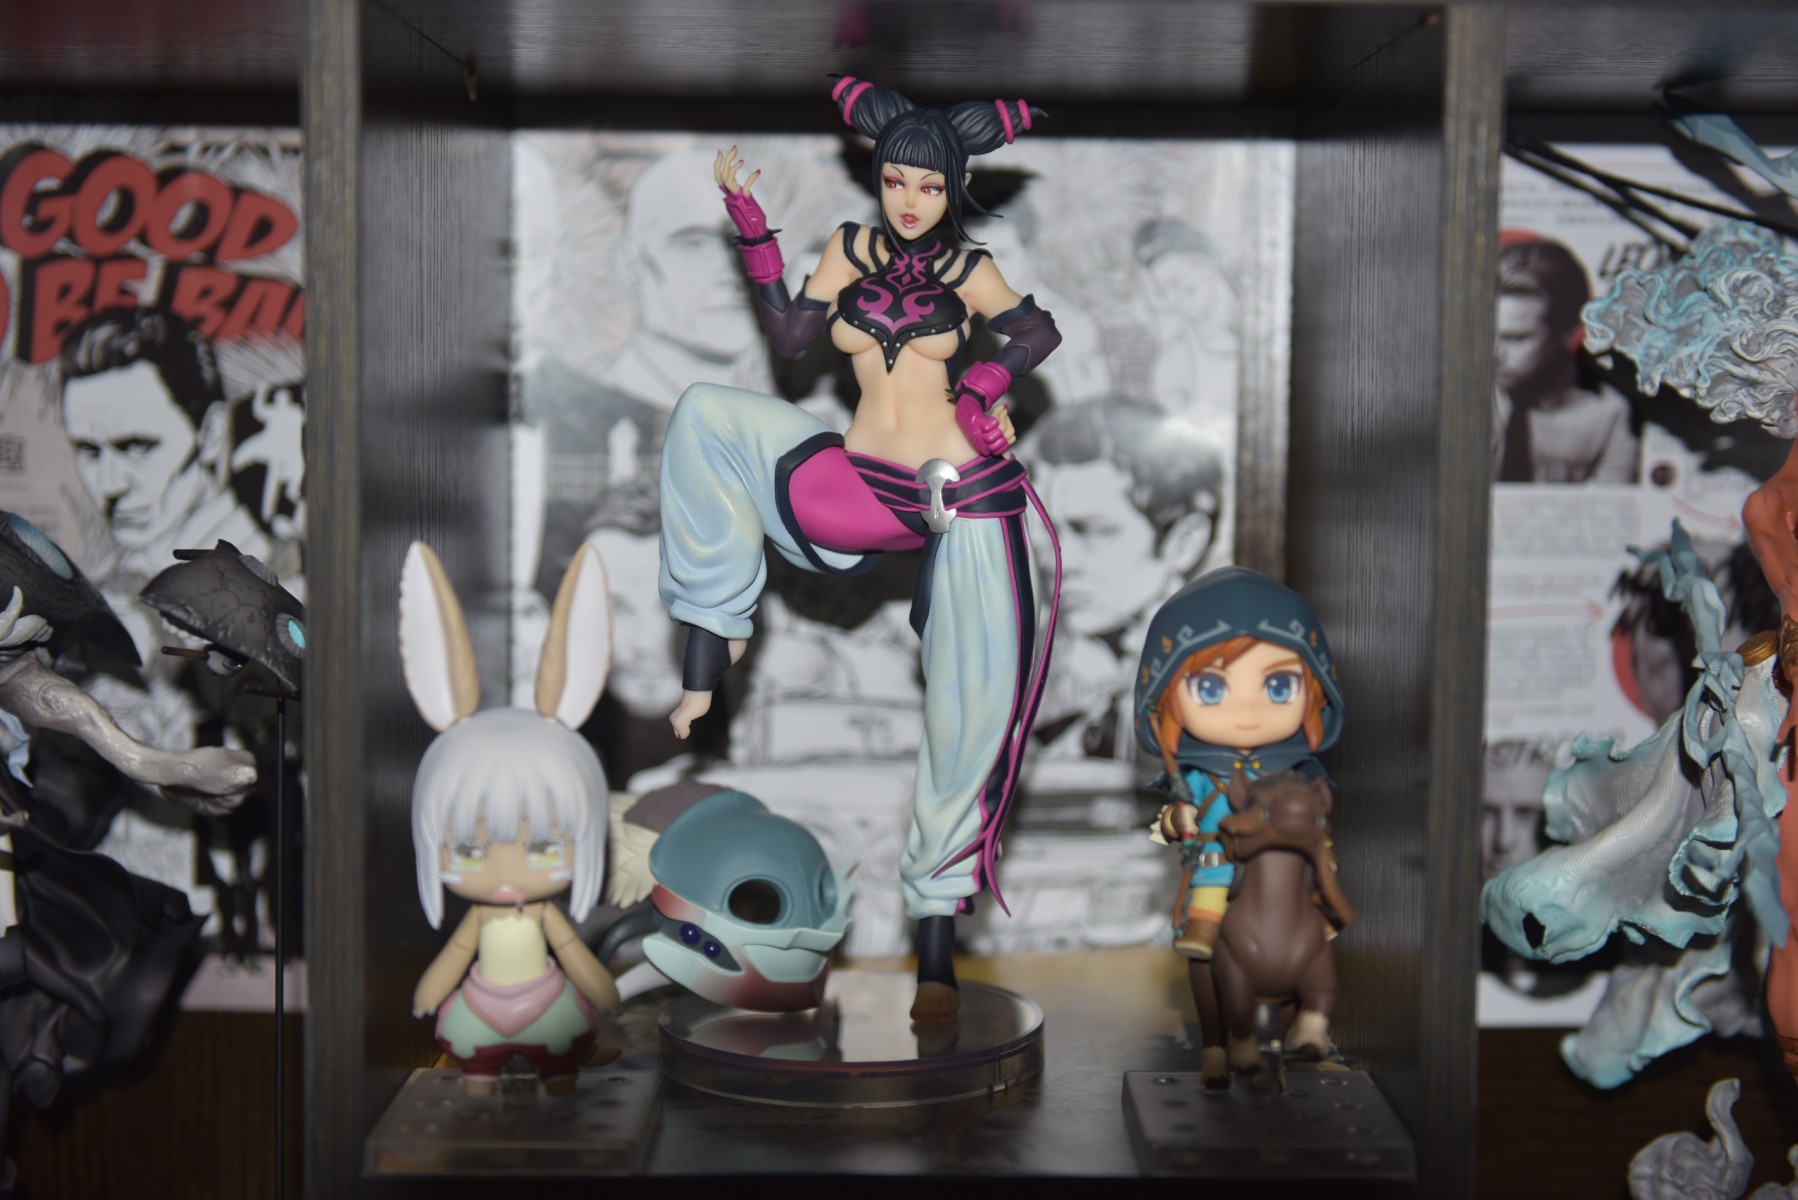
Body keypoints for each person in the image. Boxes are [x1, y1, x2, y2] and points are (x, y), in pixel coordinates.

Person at [658, 77, 1063, 1019]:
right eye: (895, 181)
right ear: (877, 180)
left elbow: (1036, 330)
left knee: (973, 713)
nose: (910, 200)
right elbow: (793, 335)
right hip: (854, 483)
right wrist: (752, 229)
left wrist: (986, 384)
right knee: (704, 415)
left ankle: (935, 950)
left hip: (953, 490)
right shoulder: (849, 248)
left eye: (930, 186)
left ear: (954, 187)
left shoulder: (970, 270)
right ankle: (712, 636)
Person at [1134, 566, 1346, 1076]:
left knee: (1314, 910)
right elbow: (1172, 817)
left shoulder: (1295, 769)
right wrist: (1178, 820)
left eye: (1278, 686)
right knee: (1207, 907)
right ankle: (1213, 1000)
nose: (1247, 710)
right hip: (1215, 858)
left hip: (1287, 862)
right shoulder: (1197, 775)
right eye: (1211, 688)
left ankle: (1304, 1015)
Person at [1025, 400, 1220, 761]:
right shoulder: (1029, 658)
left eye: (1092, 531)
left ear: (1184, 543)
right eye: (1050, 532)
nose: (1058, 561)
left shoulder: (1224, 675)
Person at [59, 308, 271, 584]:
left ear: (211, 433)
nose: (110, 484)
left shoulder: (270, 574)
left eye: (137, 447)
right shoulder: (121, 581)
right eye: (89, 450)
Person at [1492, 236, 1639, 484]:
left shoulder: (1611, 416)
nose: (1494, 354)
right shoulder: (1457, 398)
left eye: (1516, 338)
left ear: (1568, 331)